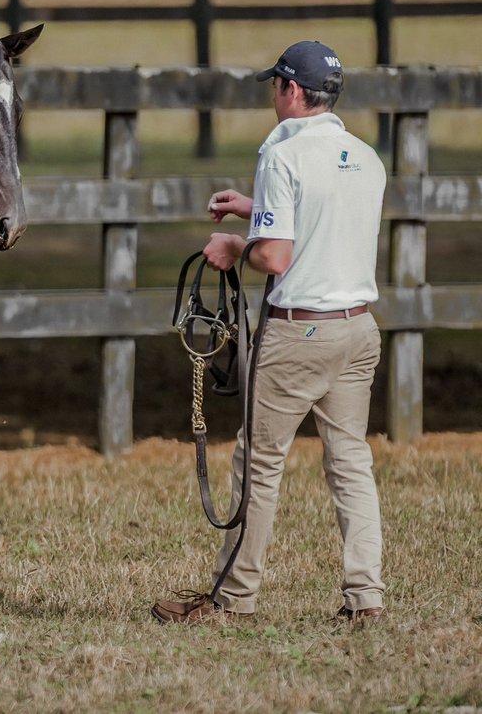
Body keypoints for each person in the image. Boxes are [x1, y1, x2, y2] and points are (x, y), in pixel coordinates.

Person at [152, 41, 388, 625]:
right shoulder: (364, 157)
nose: (272, 95)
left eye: (274, 85)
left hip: (299, 335)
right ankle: (366, 598)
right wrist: (257, 209)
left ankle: (232, 599)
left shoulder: (281, 155)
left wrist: (239, 244)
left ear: (291, 90)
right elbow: (323, 218)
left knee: (258, 463)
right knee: (351, 462)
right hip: (358, 330)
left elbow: (276, 257)